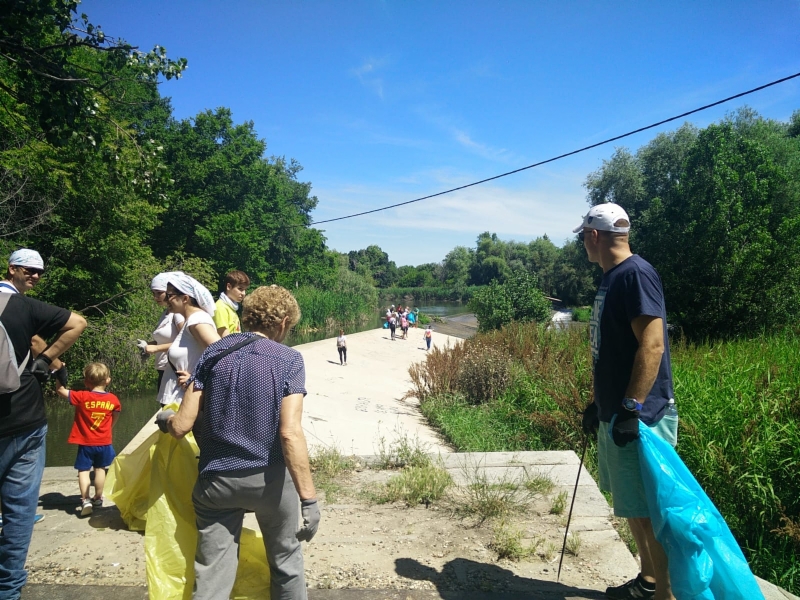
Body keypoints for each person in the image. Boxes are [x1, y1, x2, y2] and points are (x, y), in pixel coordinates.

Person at [159, 285, 319, 600]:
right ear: (284, 322)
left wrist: (164, 420)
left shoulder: (213, 354)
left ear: (247, 316)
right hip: (268, 479)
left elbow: (181, 426)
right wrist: (309, 499)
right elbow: (290, 432)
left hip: (215, 481)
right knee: (286, 561)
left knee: (212, 573)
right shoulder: (289, 359)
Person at [575, 203, 678, 600]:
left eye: (583, 236)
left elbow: (652, 345)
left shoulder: (635, 274)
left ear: (594, 236)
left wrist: (632, 409)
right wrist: (597, 402)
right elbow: (613, 351)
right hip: (615, 411)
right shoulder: (612, 278)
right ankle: (648, 581)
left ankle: (665, 595)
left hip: (641, 418)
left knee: (651, 514)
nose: (583, 243)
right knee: (634, 507)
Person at [0, 292, 86, 598]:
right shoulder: (17, 305)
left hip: (25, 423)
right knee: (19, 511)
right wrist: (47, 362)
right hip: (23, 417)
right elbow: (77, 322)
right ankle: (8, 591)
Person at [55, 362, 120, 517]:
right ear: (107, 380)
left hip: (86, 443)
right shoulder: (113, 400)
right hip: (104, 442)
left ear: (86, 382)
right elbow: (115, 417)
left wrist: (58, 372)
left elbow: (60, 390)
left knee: (83, 471)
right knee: (100, 469)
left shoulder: (81, 396)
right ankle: (98, 498)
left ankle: (85, 499)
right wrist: (108, 429)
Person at [156, 274, 220, 406]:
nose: (166, 300)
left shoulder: (197, 320)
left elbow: (221, 353)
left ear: (185, 298)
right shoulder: (191, 321)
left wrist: (196, 379)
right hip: (177, 401)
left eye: (169, 296)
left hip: (185, 403)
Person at [137, 272, 185, 396]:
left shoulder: (178, 314)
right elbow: (164, 340)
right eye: (153, 293)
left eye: (159, 293)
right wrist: (147, 345)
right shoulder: (165, 313)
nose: (156, 297)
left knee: (170, 411)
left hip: (174, 371)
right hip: (163, 369)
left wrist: (156, 348)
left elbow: (185, 341)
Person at [213, 270, 250, 337]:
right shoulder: (221, 307)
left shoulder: (231, 307)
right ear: (229, 287)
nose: (243, 293)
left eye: (245, 290)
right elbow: (224, 338)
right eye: (240, 289)